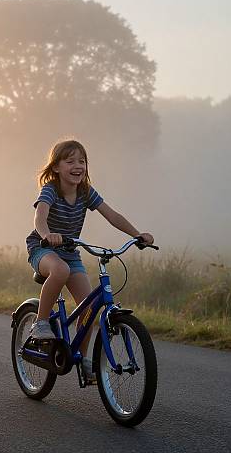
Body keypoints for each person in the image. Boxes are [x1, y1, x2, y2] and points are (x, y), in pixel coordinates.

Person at [25, 139, 154, 381]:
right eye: (70, 161)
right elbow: (39, 217)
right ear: (56, 167)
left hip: (71, 251)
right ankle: (41, 322)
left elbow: (112, 215)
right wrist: (47, 235)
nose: (77, 166)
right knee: (60, 270)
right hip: (42, 248)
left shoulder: (86, 192)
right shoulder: (51, 189)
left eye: (82, 161)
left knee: (88, 308)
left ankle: (83, 360)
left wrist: (137, 234)